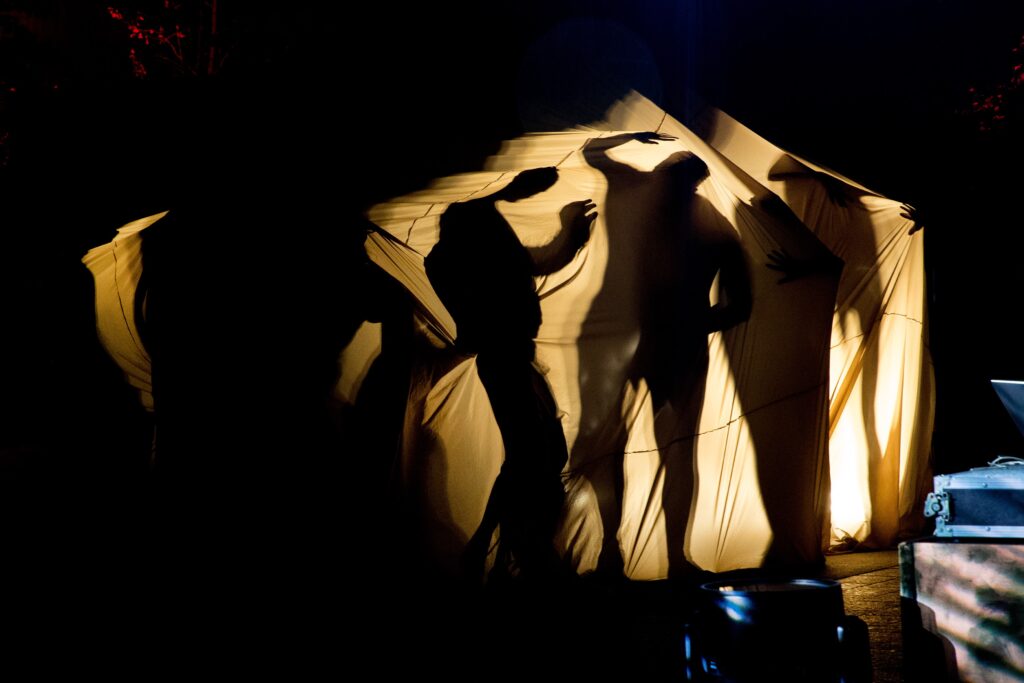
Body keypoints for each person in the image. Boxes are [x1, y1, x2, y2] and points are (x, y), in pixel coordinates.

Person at [424, 167, 596, 581]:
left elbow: (529, 264)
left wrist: (570, 236)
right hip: (505, 358)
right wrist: (558, 228)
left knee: (542, 452)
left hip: (516, 357)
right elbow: (520, 265)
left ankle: (500, 548)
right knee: (532, 454)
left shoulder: (470, 246)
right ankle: (502, 548)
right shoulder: (456, 252)